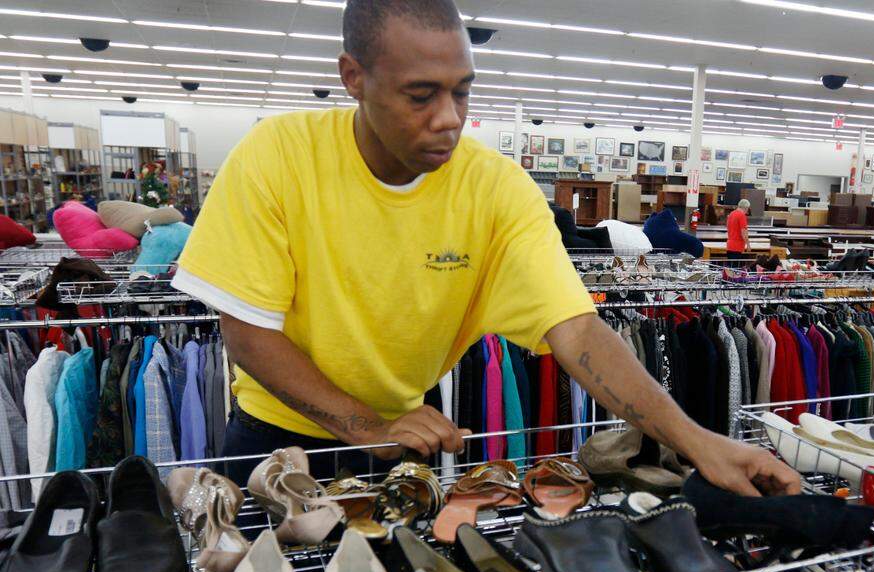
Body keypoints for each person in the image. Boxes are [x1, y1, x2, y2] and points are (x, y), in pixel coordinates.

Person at [172, 0, 799, 498]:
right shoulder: (277, 157)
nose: (450, 117)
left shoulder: (496, 189)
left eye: (462, 91)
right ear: (354, 77)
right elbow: (247, 332)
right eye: (422, 95)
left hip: (402, 444)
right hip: (274, 445)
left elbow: (578, 334)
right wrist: (367, 427)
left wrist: (698, 442)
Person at [725, 199, 751, 267]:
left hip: (730, 245)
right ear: (746, 208)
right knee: (735, 270)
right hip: (737, 246)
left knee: (730, 268)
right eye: (748, 209)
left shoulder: (731, 214)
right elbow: (744, 233)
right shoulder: (741, 215)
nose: (747, 211)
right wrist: (748, 244)